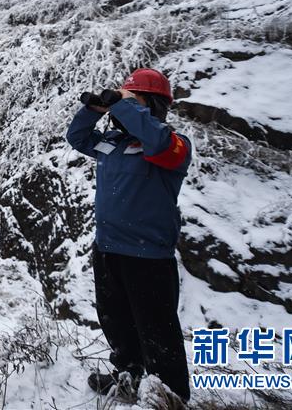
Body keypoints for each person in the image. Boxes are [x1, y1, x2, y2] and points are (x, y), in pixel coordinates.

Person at [65, 68, 191, 404]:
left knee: (157, 331)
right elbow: (77, 138)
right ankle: (128, 376)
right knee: (117, 322)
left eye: (135, 101)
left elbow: (159, 141)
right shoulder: (112, 143)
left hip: (148, 257)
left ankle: (170, 395)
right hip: (107, 250)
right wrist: (94, 110)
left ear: (152, 106)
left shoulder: (172, 145)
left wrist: (124, 104)